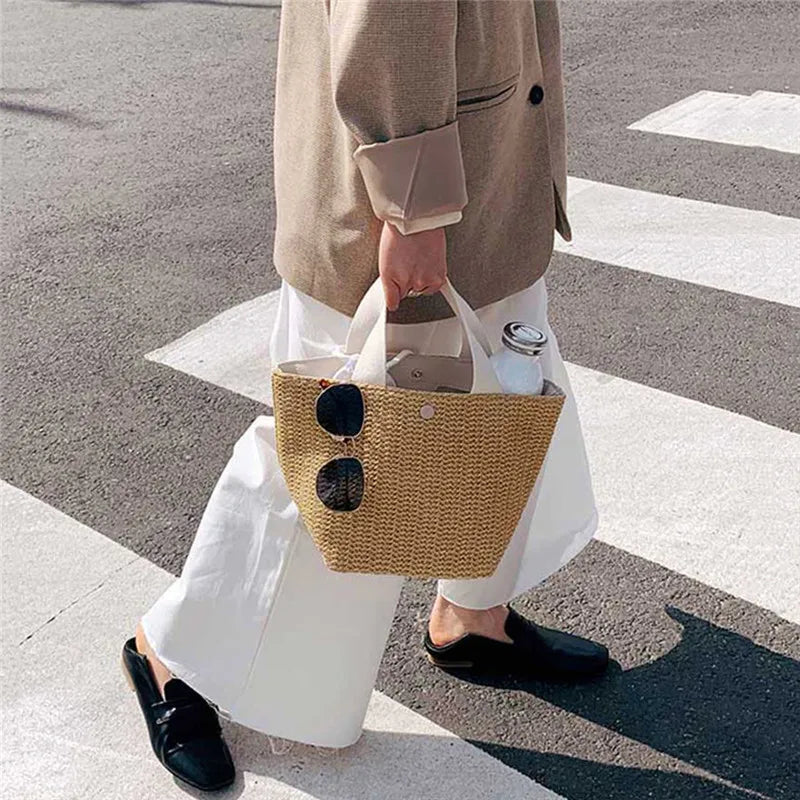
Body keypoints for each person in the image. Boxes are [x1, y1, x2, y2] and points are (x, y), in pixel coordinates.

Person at [120, 0, 609, 791]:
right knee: (337, 440)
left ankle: (474, 616)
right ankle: (176, 655)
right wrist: (410, 203)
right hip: (410, 179)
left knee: (507, 387)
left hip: (479, 144)